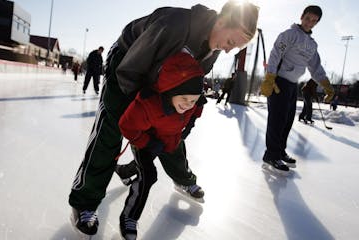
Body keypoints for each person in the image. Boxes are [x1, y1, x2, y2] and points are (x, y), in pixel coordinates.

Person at [69, 1, 259, 237]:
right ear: (221, 21)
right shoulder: (175, 24)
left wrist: (180, 116)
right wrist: (140, 110)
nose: (228, 50)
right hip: (127, 65)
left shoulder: (214, 50)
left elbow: (191, 83)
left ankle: (182, 178)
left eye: (235, 48)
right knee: (113, 126)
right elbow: (132, 69)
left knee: (170, 131)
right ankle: (84, 202)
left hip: (164, 80)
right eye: (231, 42)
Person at [118, 51, 207, 239]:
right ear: (171, 90)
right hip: (145, 138)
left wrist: (189, 124)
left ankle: (125, 172)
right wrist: (147, 143)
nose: (188, 105)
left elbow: (197, 108)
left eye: (193, 100)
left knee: (179, 159)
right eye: (184, 99)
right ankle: (129, 218)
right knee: (148, 174)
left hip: (170, 137)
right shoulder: (148, 104)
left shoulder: (192, 103)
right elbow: (127, 126)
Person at [260, 5, 334, 174]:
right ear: (302, 17)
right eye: (308, 18)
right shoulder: (289, 34)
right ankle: (271, 154)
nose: (310, 23)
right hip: (279, 82)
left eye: (314, 21)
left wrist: (327, 85)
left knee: (287, 121)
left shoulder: (312, 45)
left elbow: (315, 67)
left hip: (293, 85)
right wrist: (270, 77)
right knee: (277, 120)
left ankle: (279, 151)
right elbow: (275, 53)